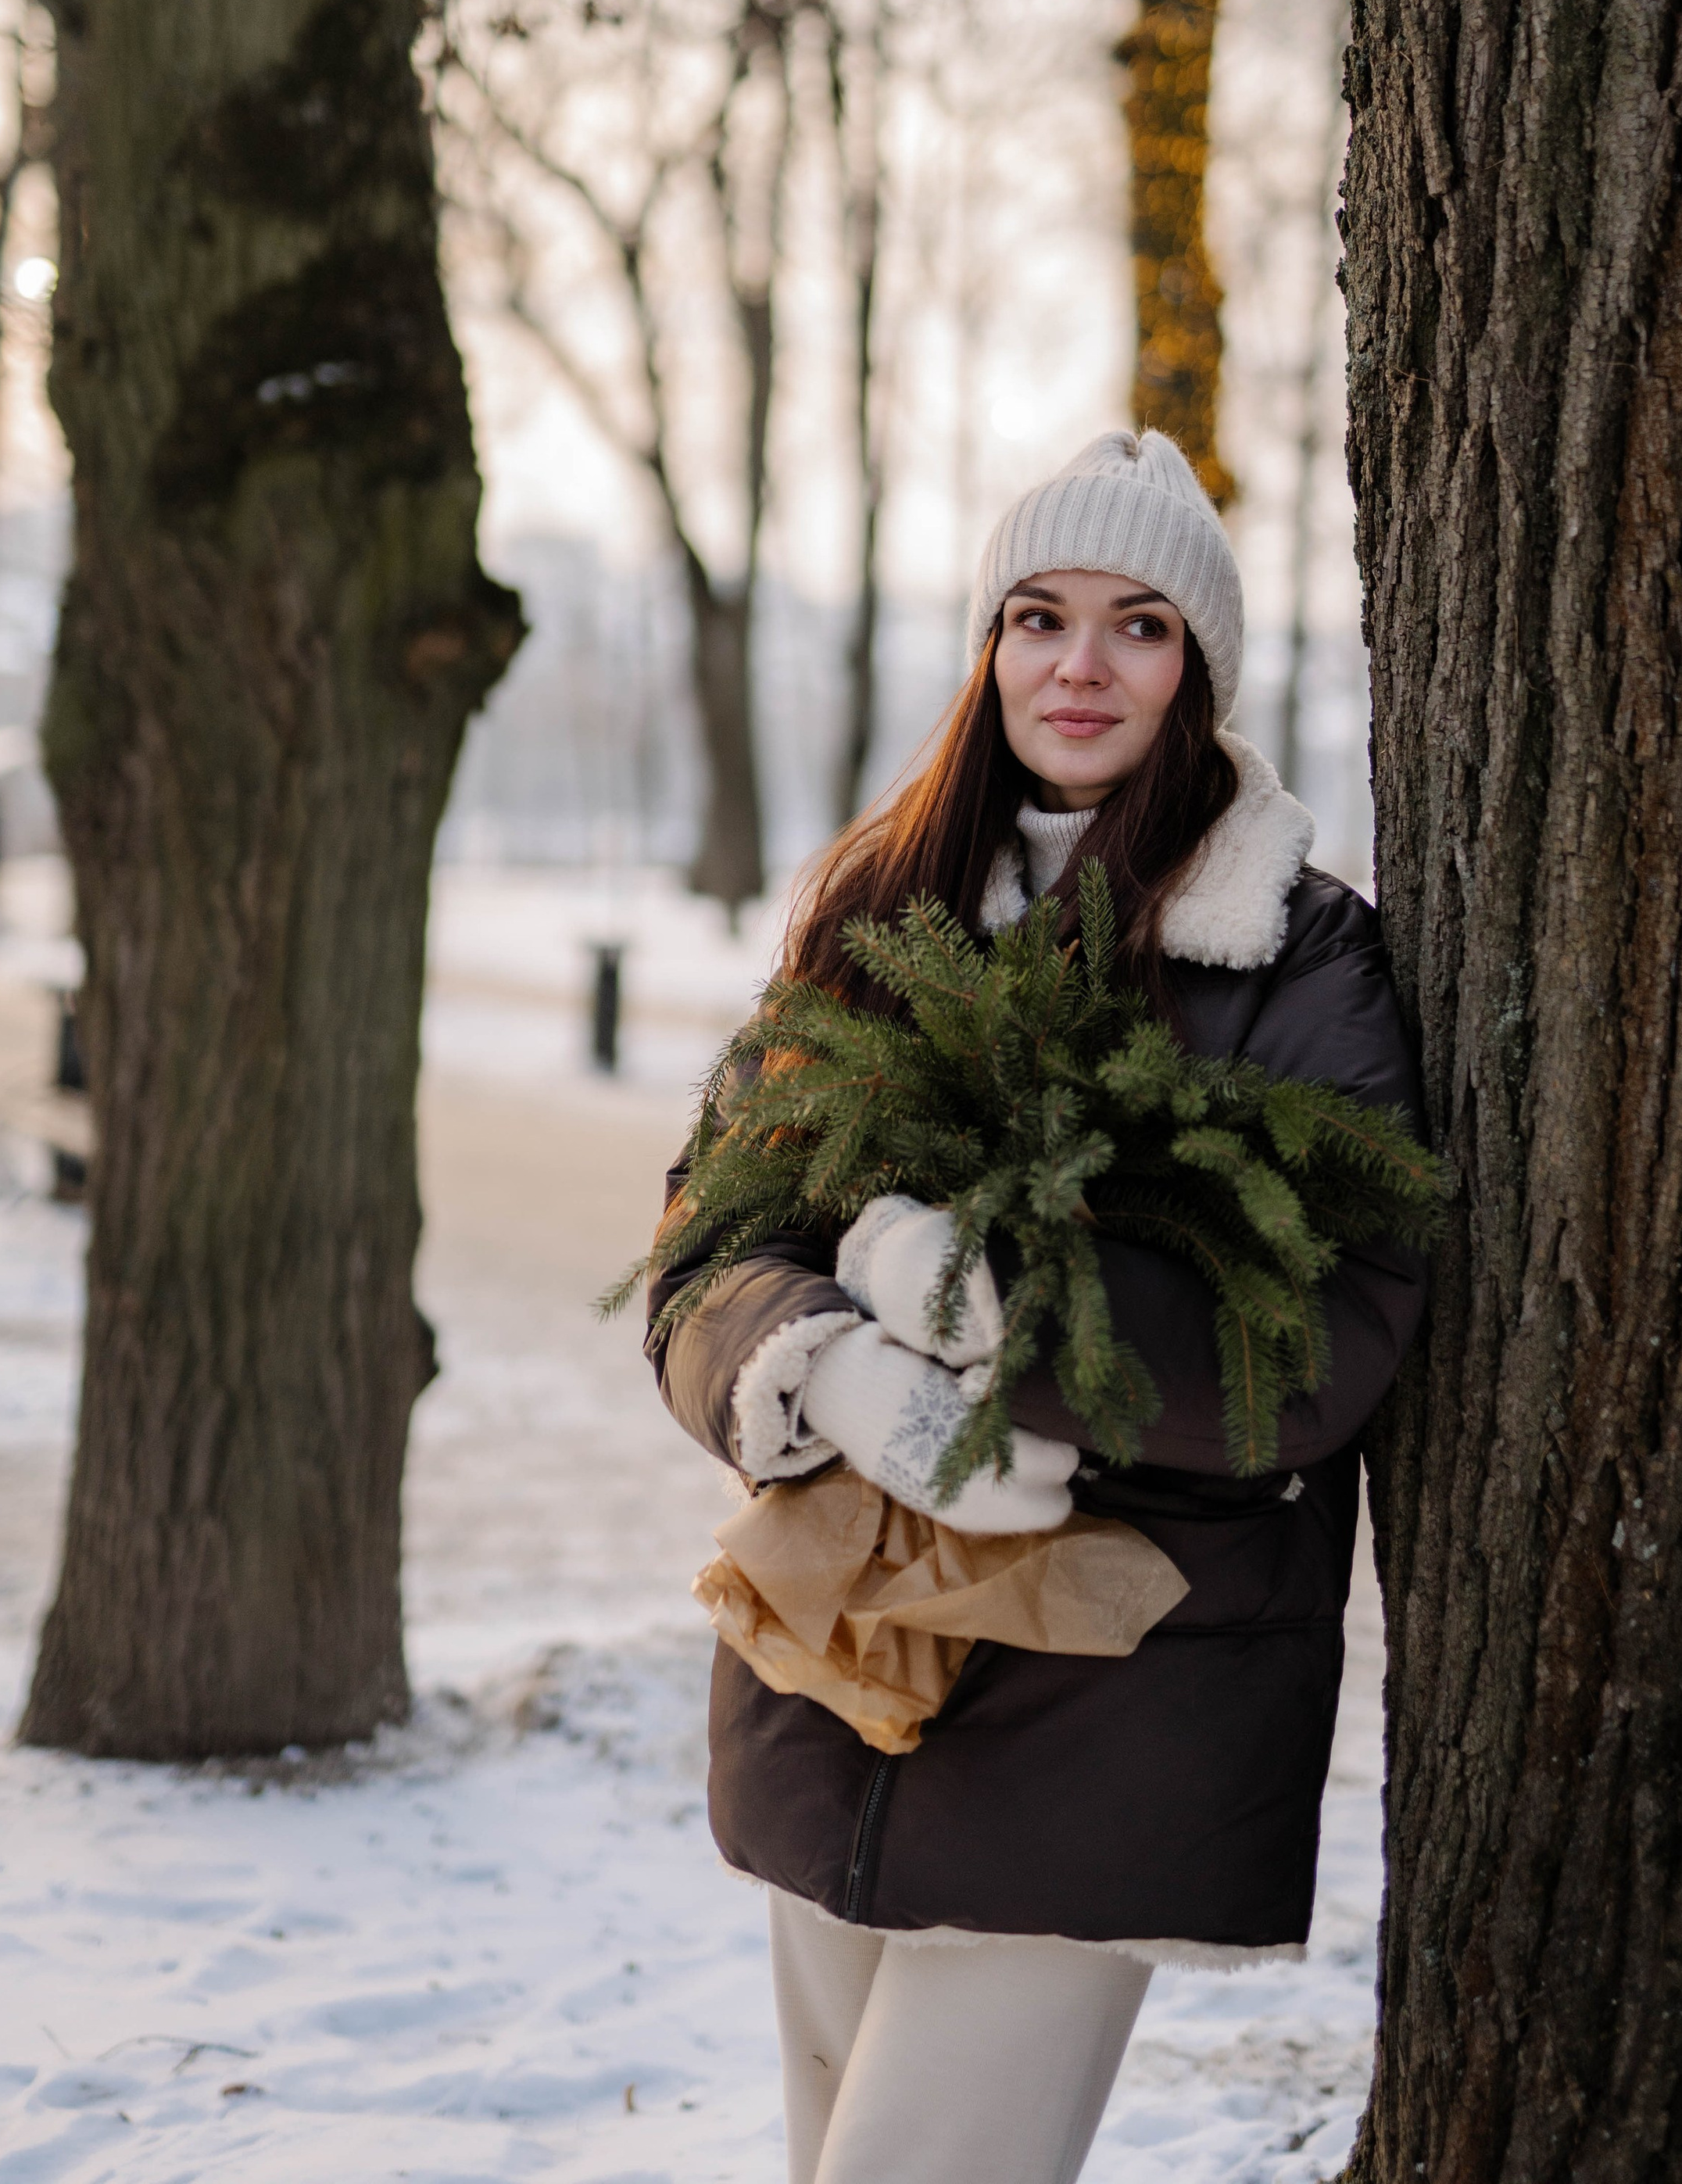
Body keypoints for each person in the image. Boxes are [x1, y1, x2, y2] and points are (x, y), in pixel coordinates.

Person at [646, 428, 1427, 2184]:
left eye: (1138, 625)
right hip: (837, 1667)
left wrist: (1007, 1308)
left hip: (1112, 1703)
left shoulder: (1295, 955)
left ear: (1198, 665)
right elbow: (703, 1242)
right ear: (985, 648)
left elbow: (1319, 1335)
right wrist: (827, 1371)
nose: (1079, 665)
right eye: (1037, 616)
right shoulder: (874, 906)